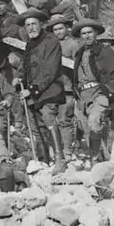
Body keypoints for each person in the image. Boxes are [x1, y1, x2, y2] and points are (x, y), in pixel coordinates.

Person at [17, 9, 67, 172]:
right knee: (36, 125)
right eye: (28, 25)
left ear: (41, 25)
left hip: (49, 90)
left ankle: (60, 160)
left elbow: (49, 70)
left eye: (34, 24)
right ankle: (43, 160)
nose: (31, 28)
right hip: (34, 92)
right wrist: (19, 78)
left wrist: (31, 89)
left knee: (49, 120)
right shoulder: (30, 44)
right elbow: (26, 66)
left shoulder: (51, 41)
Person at [72, 19, 114, 161]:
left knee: (95, 121)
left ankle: (102, 159)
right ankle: (96, 158)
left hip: (99, 93)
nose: (87, 36)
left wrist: (108, 90)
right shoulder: (79, 53)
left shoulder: (105, 51)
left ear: (95, 34)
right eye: (83, 33)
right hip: (83, 96)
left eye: (89, 32)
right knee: (85, 128)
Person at [46, 14, 80, 158]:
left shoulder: (72, 44)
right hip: (52, 88)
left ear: (66, 28)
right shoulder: (49, 45)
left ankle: (68, 151)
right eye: (55, 29)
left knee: (65, 119)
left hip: (67, 89)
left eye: (61, 28)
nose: (59, 32)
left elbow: (77, 66)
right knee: (51, 120)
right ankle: (56, 151)